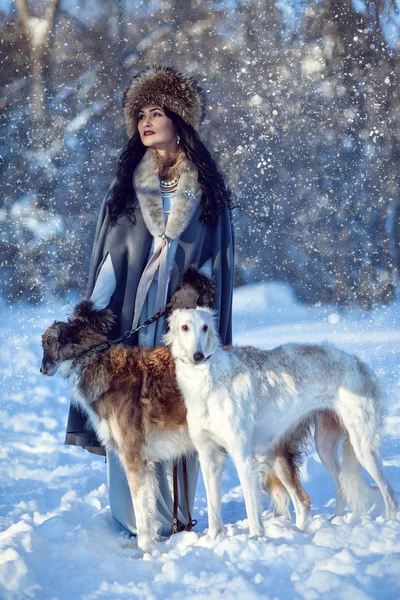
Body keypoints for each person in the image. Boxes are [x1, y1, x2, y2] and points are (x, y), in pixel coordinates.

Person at [65, 65, 235, 539]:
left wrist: (195, 299)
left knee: (184, 415)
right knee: (129, 418)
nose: (145, 121)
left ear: (178, 119)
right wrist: (91, 320)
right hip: (133, 329)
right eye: (139, 113)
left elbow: (216, 262)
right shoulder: (125, 188)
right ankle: (134, 515)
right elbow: (110, 261)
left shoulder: (205, 190)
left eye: (155, 112)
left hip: (184, 332)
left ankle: (179, 516)